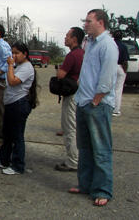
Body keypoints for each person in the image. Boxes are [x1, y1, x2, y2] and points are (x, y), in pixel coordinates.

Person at [69, 9, 118, 207]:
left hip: (97, 105)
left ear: (101, 22)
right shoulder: (89, 43)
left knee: (101, 150)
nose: (85, 24)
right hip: (83, 102)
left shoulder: (108, 45)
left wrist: (96, 100)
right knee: (85, 148)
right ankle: (85, 184)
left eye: (89, 21)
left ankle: (103, 190)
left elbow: (107, 80)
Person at [0, 42, 38, 175]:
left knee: (17, 135)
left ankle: (18, 165)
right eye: (12, 53)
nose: (13, 56)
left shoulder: (26, 67)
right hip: (11, 103)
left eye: (17, 53)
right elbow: (10, 85)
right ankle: (4, 159)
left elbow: (12, 81)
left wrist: (10, 65)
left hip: (19, 104)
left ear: (25, 54)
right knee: (7, 134)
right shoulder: (18, 66)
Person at [54, 27, 85, 172]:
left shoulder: (72, 56)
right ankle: (78, 158)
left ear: (74, 39)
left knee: (69, 128)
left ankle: (73, 161)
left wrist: (60, 70)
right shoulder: (82, 53)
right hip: (80, 94)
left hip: (71, 94)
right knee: (75, 127)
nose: (65, 38)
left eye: (67, 36)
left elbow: (60, 74)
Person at [112, 30, 129, 117]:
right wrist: (124, 70)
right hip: (120, 67)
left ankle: (109, 107)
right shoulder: (123, 46)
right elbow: (125, 60)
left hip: (110, 67)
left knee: (110, 88)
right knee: (118, 90)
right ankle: (116, 110)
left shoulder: (111, 45)